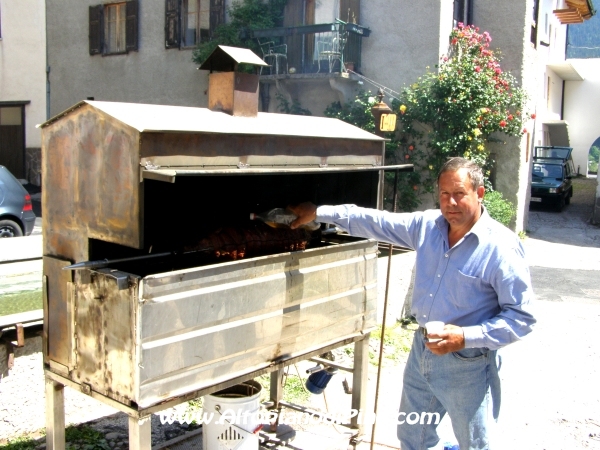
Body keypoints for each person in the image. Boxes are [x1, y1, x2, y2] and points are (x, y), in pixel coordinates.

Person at [289, 157, 536, 450]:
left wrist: (465, 337)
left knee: (475, 444)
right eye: (444, 194)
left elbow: (522, 318)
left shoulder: (500, 247)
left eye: (459, 193)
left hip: (468, 362)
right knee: (413, 437)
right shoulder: (428, 226)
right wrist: (319, 212)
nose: (450, 202)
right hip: (422, 351)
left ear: (479, 194)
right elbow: (374, 220)